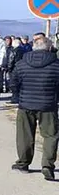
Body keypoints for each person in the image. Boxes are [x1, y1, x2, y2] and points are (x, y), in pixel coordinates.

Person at [10, 37, 59, 181]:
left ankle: (23, 163)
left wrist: (19, 96)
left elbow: (13, 83)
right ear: (49, 48)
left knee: (24, 135)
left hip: (25, 104)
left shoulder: (21, 64)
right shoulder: (56, 65)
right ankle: (47, 166)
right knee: (51, 136)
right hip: (48, 105)